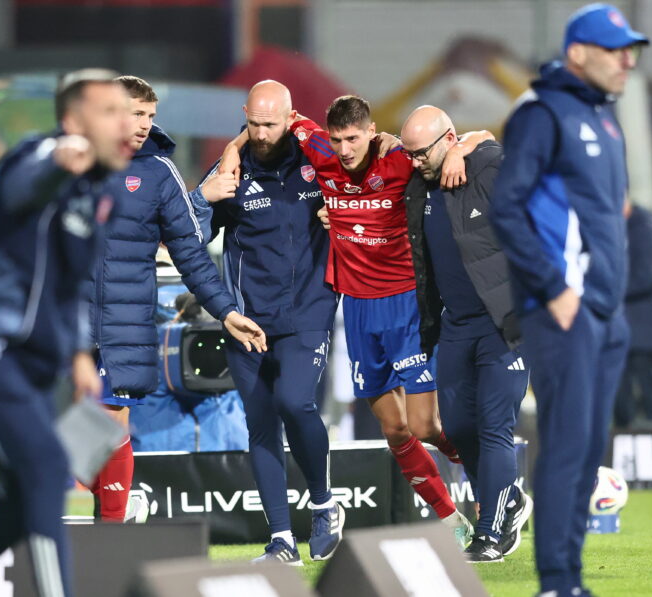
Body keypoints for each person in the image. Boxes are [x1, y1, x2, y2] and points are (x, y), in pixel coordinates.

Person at [220, 91, 495, 546]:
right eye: (337, 140)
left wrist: (465, 147)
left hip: (407, 304)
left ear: (371, 132)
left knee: (426, 425)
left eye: (353, 138)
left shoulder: (400, 160)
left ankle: (494, 492)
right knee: (394, 429)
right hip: (358, 310)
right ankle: (451, 521)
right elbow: (267, 123)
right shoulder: (319, 151)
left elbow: (473, 137)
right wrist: (232, 149)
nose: (345, 150)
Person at [0, 69, 132, 597]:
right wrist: (58, 159)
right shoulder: (36, 156)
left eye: (128, 111)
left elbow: (72, 283)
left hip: (33, 364)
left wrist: (76, 355)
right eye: (109, 111)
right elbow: (25, 182)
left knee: (22, 506)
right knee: (50, 467)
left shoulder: (101, 189)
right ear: (73, 121)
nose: (125, 123)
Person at [490, 4, 648, 595]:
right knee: (564, 448)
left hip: (607, 314)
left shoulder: (606, 119)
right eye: (615, 48)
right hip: (566, 311)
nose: (627, 59)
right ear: (578, 53)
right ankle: (557, 582)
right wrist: (555, 289)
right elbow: (508, 207)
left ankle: (572, 581)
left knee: (586, 457)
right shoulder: (541, 112)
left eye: (630, 48)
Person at [86, 75, 265, 523]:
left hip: (121, 324)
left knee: (111, 425)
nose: (145, 124)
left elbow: (190, 253)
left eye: (150, 115)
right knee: (52, 431)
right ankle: (121, 500)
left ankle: (109, 532)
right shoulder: (70, 162)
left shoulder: (157, 173)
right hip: (62, 318)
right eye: (135, 113)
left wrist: (226, 312)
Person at [189, 81, 343, 565]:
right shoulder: (230, 171)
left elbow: (366, 155)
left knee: (295, 402)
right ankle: (281, 541)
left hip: (308, 310)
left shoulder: (317, 159)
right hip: (246, 318)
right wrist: (202, 194)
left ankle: (323, 503)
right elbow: (187, 236)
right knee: (260, 426)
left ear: (291, 117)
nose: (260, 133)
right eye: (252, 123)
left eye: (270, 123)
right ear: (245, 116)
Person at [401, 105, 533, 562]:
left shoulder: (488, 168)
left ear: (449, 138)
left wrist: (471, 144)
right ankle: (508, 501)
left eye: (422, 152)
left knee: (496, 426)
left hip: (505, 323)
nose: (415, 161)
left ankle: (492, 532)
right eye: (410, 153)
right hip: (454, 326)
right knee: (457, 427)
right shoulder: (419, 183)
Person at [614, 199, 652, 428]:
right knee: (620, 397)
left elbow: (643, 278)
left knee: (648, 395)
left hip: (644, 332)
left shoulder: (646, 228)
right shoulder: (624, 227)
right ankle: (623, 445)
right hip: (624, 329)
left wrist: (607, 289)